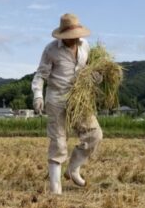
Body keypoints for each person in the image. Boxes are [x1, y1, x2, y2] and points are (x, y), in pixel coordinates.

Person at [31, 13, 103, 194]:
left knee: (94, 134)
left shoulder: (85, 46)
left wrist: (96, 77)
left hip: (78, 99)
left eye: (77, 35)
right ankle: (56, 188)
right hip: (56, 99)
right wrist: (38, 96)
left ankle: (73, 168)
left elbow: (87, 70)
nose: (75, 38)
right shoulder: (51, 50)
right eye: (70, 36)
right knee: (59, 143)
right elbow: (40, 75)